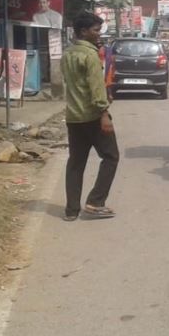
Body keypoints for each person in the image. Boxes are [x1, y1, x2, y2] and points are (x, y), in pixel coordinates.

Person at [62, 12, 119, 221]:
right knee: (111, 157)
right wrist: (104, 112)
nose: (98, 35)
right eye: (95, 30)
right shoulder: (90, 55)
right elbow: (96, 88)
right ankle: (95, 202)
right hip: (93, 116)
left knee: (76, 162)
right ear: (84, 32)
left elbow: (73, 85)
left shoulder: (68, 53)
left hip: (73, 117)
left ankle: (71, 210)